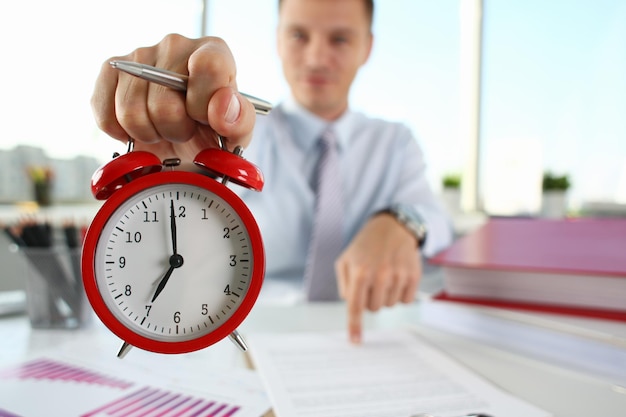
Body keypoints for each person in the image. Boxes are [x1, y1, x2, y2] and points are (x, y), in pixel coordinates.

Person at [91, 0, 453, 344]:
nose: (316, 58)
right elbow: (180, 246)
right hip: (249, 338)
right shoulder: (225, 135)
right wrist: (175, 170)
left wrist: (401, 221)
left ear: (367, 47)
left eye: (339, 38)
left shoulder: (396, 143)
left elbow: (437, 222)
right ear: (278, 38)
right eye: (298, 35)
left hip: (367, 337)